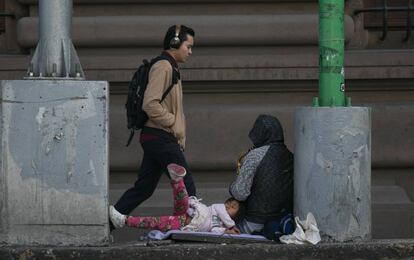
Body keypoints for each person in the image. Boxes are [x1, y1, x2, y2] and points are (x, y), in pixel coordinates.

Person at [112, 25, 197, 225]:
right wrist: (173, 123)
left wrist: (179, 133)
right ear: (175, 43)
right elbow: (150, 103)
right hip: (160, 136)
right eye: (188, 46)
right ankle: (192, 225)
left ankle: (108, 222)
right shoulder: (164, 67)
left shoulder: (171, 66)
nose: (191, 51)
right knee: (187, 184)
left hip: (157, 137)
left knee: (144, 188)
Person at [110, 164, 243, 234]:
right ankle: (177, 179)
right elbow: (221, 210)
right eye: (229, 203)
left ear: (236, 216)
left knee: (155, 222)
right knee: (183, 199)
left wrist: (226, 231)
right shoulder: (218, 209)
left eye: (233, 207)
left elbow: (213, 231)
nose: (228, 206)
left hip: (183, 224)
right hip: (190, 212)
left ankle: (123, 220)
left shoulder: (220, 224)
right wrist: (232, 226)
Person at [229, 114, 294, 235]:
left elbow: (240, 193)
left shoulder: (255, 155)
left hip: (253, 223)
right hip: (282, 221)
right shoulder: (290, 156)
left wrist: (232, 186)